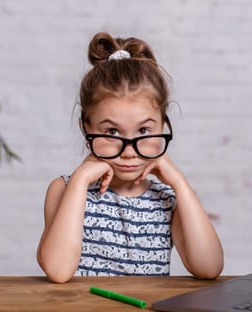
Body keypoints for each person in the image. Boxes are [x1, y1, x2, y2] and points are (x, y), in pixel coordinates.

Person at [37, 32, 224, 283]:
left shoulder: (168, 198)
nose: (129, 151)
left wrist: (181, 185)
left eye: (144, 131)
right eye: (112, 131)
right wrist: (81, 180)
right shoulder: (65, 189)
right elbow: (58, 271)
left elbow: (209, 267)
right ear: (86, 128)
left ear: (163, 125)